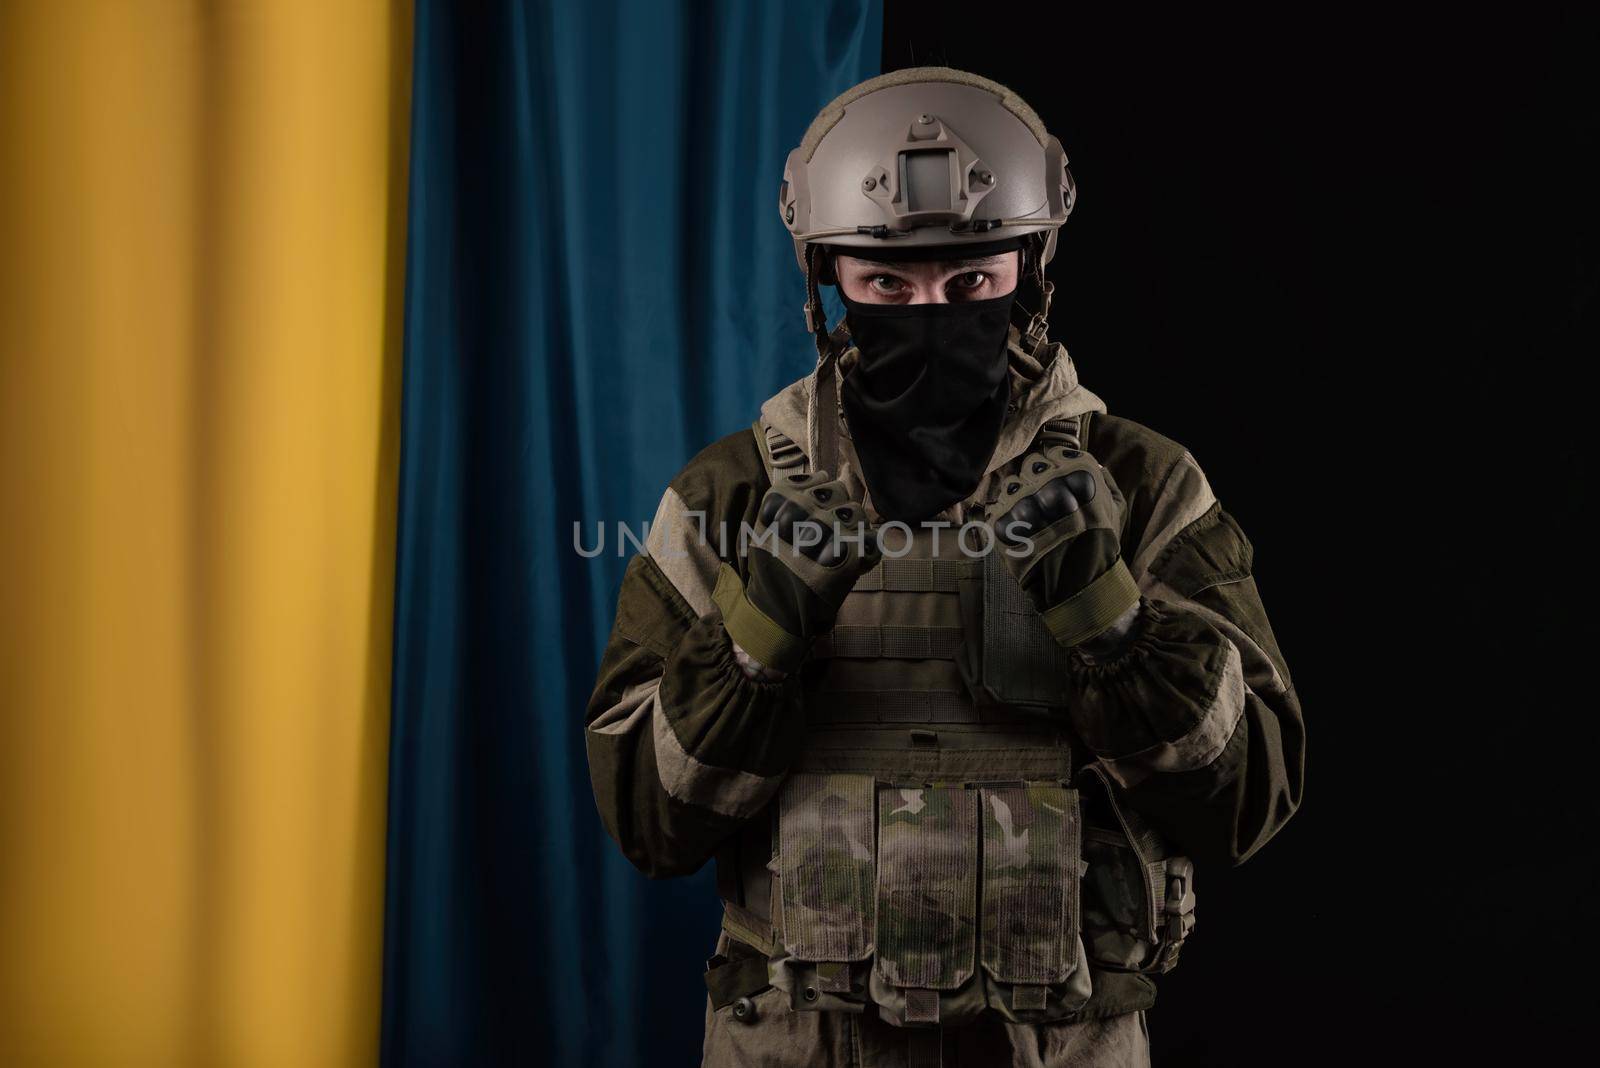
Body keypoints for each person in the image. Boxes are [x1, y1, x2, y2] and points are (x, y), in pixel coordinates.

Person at [585, 67, 1304, 1067]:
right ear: (826, 277)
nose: (928, 311)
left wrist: (1115, 626)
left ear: (1030, 265)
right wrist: (760, 631)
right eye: (885, 284)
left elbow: (1248, 799)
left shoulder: (1141, 482)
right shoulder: (733, 491)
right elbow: (645, 821)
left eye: (970, 281)